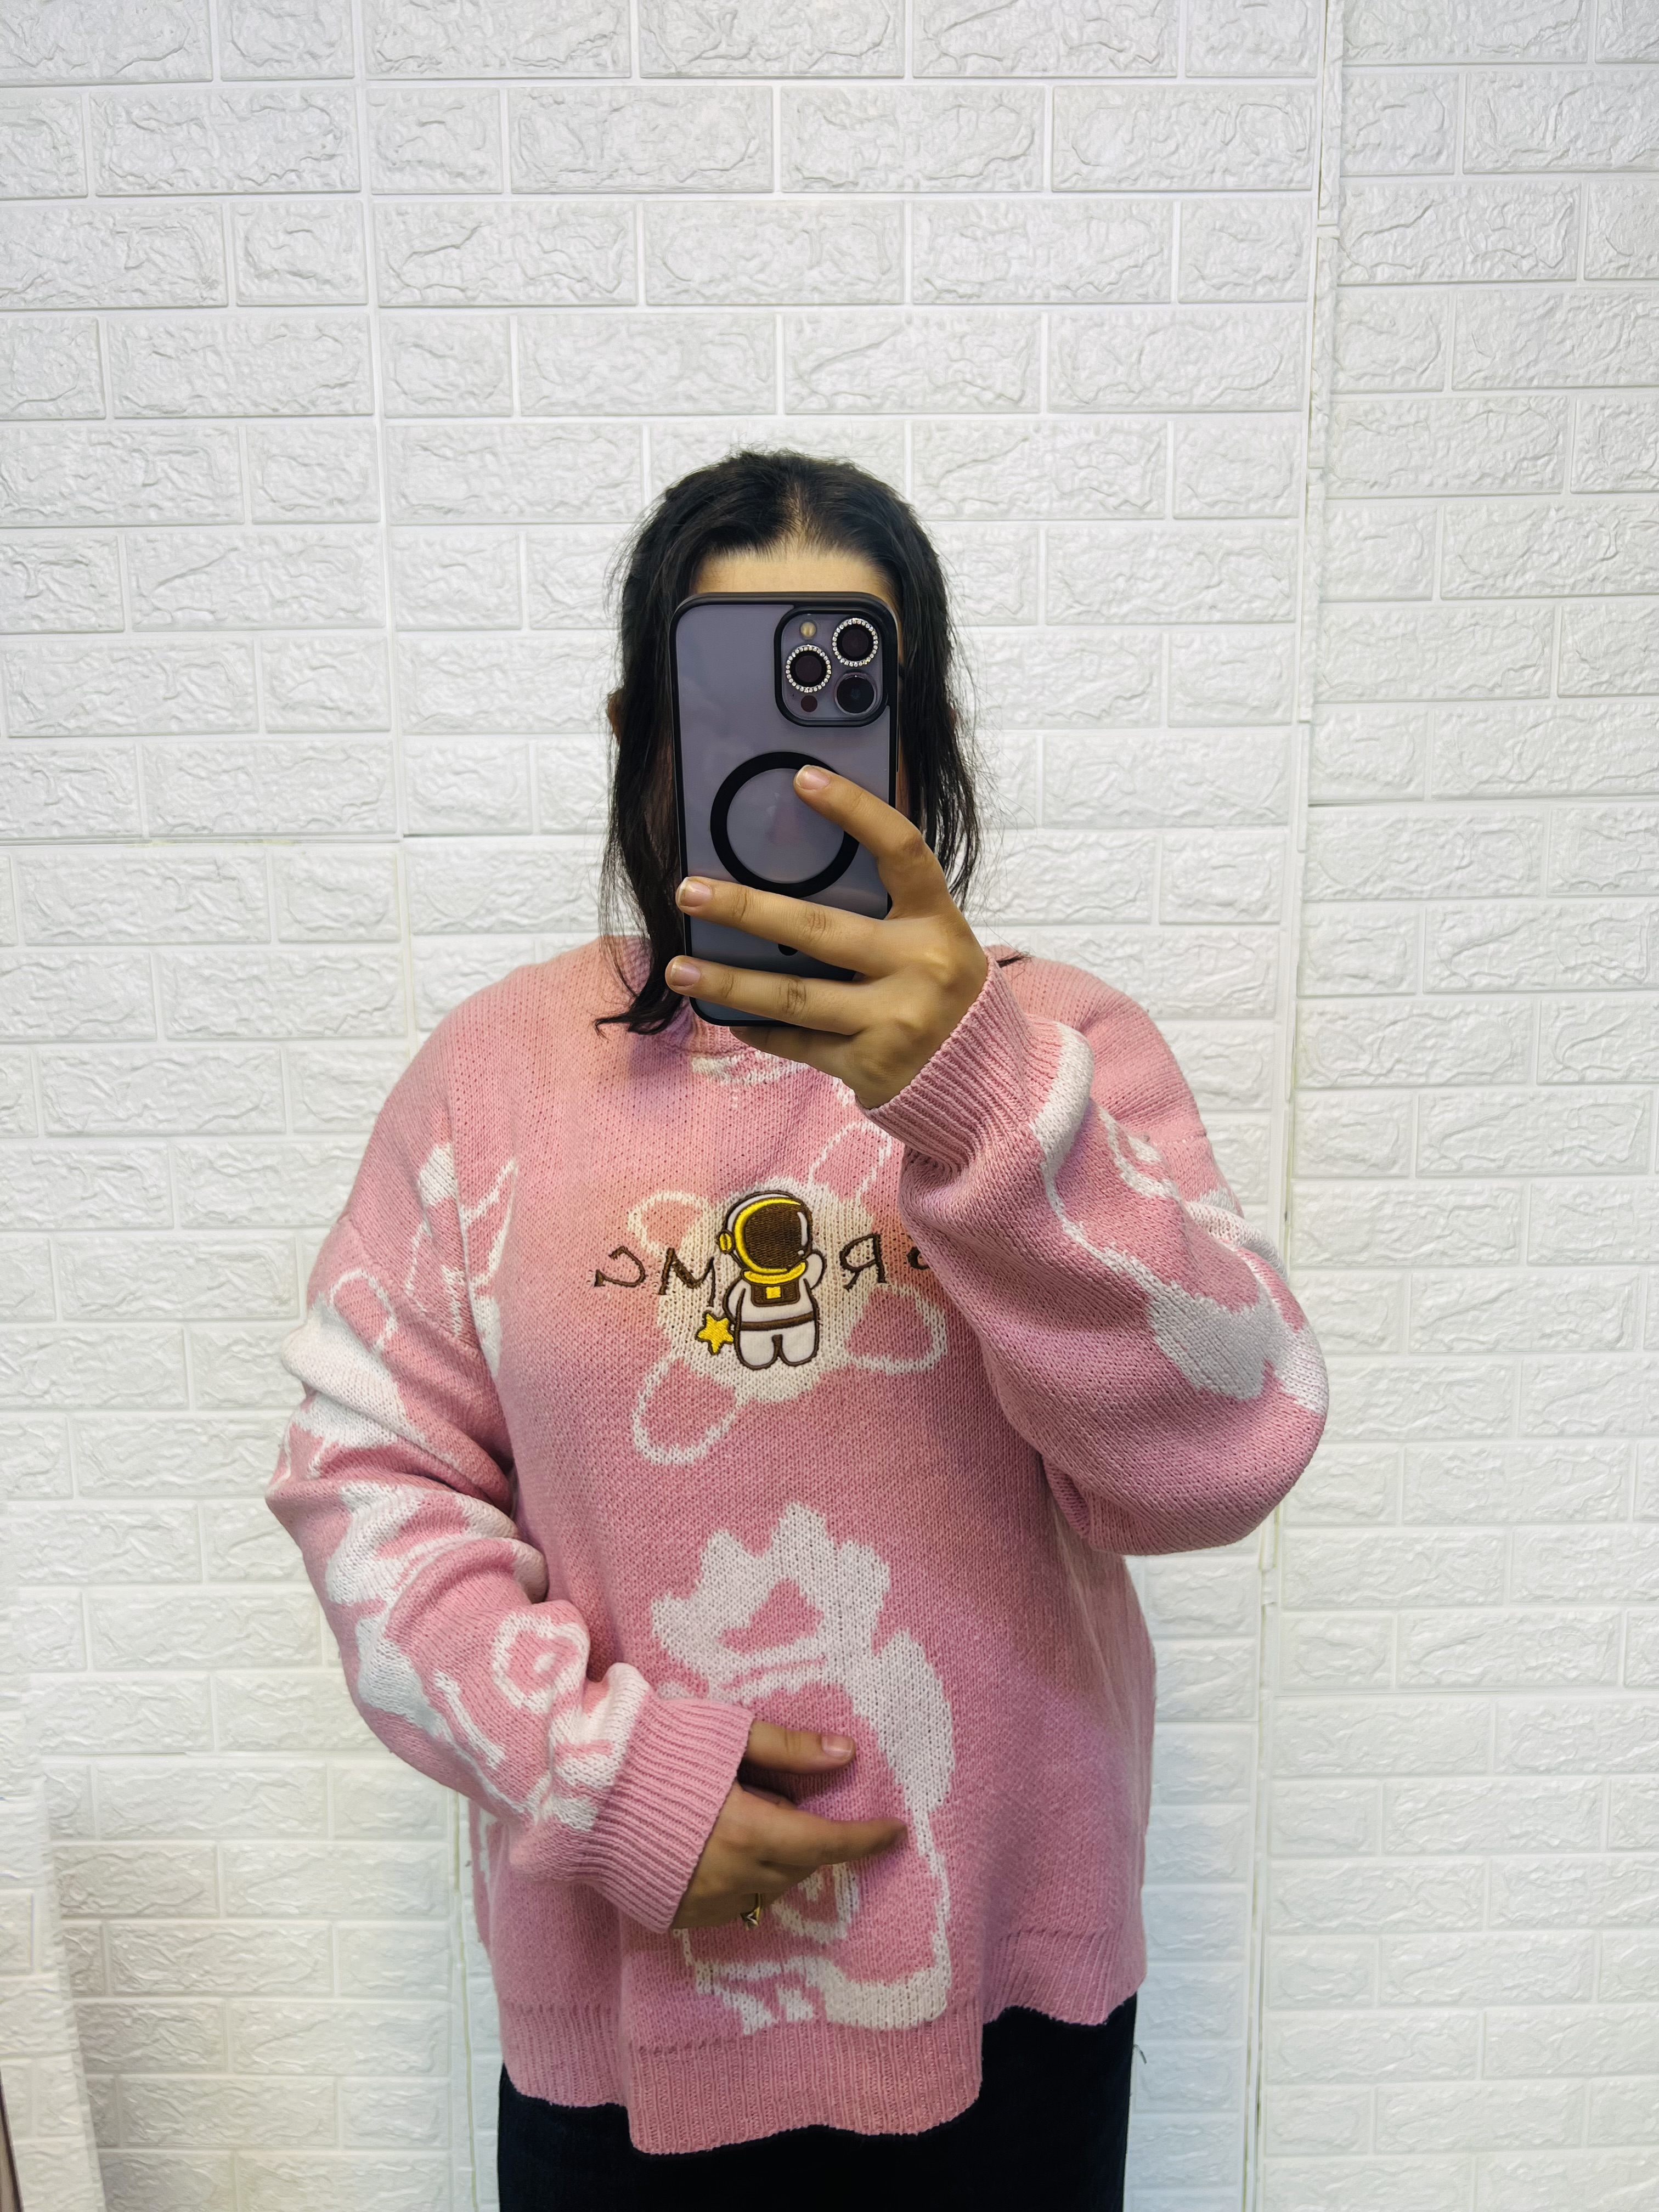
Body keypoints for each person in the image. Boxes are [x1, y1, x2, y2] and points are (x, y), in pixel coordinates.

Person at [267, 451, 1327, 2210]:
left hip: (1009, 1997)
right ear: (640, 729)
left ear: (923, 735)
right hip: (628, 2010)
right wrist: (605, 1778)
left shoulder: (1063, 1056)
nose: (788, 753)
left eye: (843, 689)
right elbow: (362, 1479)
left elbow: (1230, 1449)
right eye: (723, 688)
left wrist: (976, 1096)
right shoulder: (491, 1079)